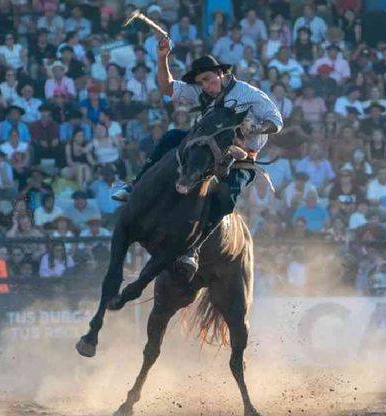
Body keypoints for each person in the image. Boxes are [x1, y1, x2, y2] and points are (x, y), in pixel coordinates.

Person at [110, 36, 283, 278]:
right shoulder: (201, 93)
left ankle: (193, 248)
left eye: (208, 79)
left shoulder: (248, 94)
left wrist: (256, 128)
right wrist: (163, 58)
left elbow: (276, 121)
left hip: (241, 154)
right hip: (206, 149)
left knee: (227, 196)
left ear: (221, 74)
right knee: (171, 137)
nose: (206, 86)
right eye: (201, 82)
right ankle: (136, 186)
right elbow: (167, 87)